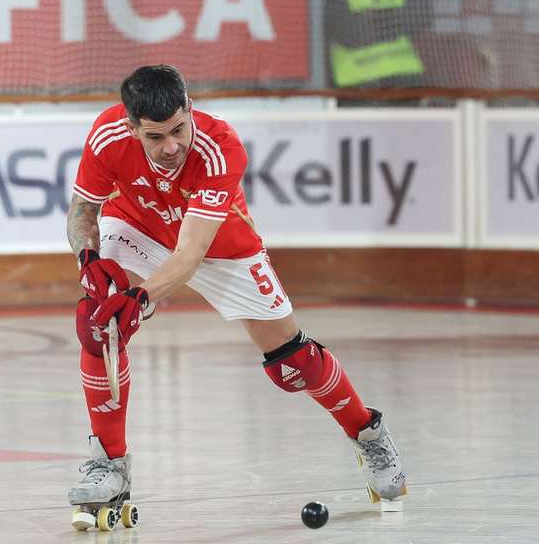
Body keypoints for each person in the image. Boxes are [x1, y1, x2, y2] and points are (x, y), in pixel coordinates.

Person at [65, 65, 407, 530]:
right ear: (131, 127)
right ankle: (110, 465)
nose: (171, 147)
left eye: (179, 130)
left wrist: (140, 300)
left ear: (190, 109)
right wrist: (89, 260)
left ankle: (367, 432)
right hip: (137, 227)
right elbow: (83, 210)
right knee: (98, 322)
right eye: (155, 137)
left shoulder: (220, 147)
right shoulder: (107, 135)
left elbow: (190, 253)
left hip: (218, 246)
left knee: (293, 362)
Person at [324, 0, 433, 106]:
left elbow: (422, 17)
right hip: (357, 90)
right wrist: (393, 18)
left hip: (405, 85)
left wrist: (370, 17)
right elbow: (351, 35)